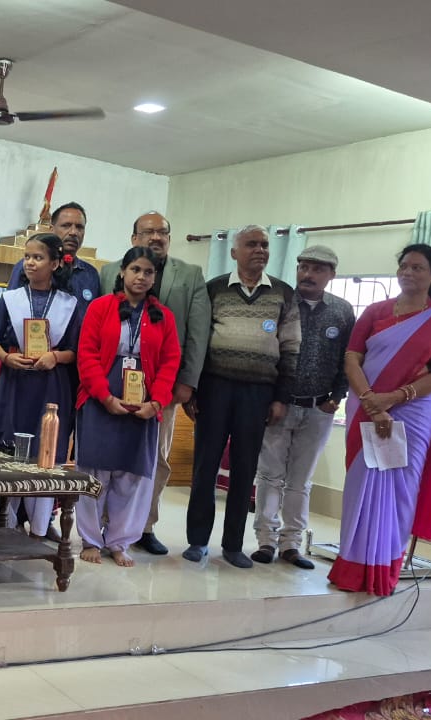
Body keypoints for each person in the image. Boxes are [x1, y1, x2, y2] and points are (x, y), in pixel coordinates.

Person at [328, 244, 431, 596]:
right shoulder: (375, 312)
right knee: (361, 485)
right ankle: (351, 568)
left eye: (417, 268)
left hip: (413, 412)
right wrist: (372, 402)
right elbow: (351, 359)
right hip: (367, 406)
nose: (408, 272)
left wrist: (393, 398)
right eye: (404, 266)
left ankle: (384, 570)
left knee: (401, 489)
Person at [183, 225, 300, 568]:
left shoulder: (283, 293)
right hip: (214, 389)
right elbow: (197, 340)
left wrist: (280, 397)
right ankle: (197, 541)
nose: (260, 250)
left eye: (264, 244)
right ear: (234, 252)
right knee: (205, 467)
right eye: (251, 244)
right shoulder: (214, 288)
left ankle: (233, 545)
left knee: (245, 469)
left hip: (258, 392)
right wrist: (192, 389)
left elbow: (291, 348)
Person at [99, 211, 210, 556]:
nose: (156, 237)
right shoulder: (109, 271)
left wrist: (187, 382)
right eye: (148, 232)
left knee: (155, 458)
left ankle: (145, 526)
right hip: (112, 385)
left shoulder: (189, 275)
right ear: (134, 239)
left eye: (163, 232)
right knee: (110, 456)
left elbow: (197, 333)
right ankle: (107, 524)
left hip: (163, 387)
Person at [74, 247, 180, 566]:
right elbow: (87, 354)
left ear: (155, 278)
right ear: (122, 271)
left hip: (144, 403)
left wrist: (156, 402)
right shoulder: (100, 307)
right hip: (101, 399)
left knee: (132, 475)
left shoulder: (164, 316)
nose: (141, 277)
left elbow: (170, 362)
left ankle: (120, 541)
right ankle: (91, 540)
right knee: (94, 471)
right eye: (135, 269)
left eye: (148, 272)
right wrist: (105, 397)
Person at [252, 245, 354, 569]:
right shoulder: (280, 303)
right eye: (303, 267)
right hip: (278, 407)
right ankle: (266, 541)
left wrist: (337, 397)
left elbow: (349, 358)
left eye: (317, 269)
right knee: (270, 476)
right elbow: (264, 352)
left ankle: (291, 544)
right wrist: (270, 398)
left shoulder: (342, 311)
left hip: (318, 409)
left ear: (331, 275)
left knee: (300, 480)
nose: (308, 274)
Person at [0, 233, 81, 538]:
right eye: (27, 257)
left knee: (45, 450)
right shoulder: (11, 299)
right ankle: (7, 527)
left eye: (38, 257)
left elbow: (75, 350)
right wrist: (6, 358)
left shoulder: (69, 304)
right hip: (15, 382)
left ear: (55, 263)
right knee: (10, 450)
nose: (29, 263)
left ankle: (40, 528)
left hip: (51, 386)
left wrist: (55, 356)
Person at [7, 202, 102, 308]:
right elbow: (10, 307)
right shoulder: (29, 267)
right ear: (52, 230)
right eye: (66, 226)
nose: (73, 232)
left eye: (79, 227)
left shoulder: (90, 274)